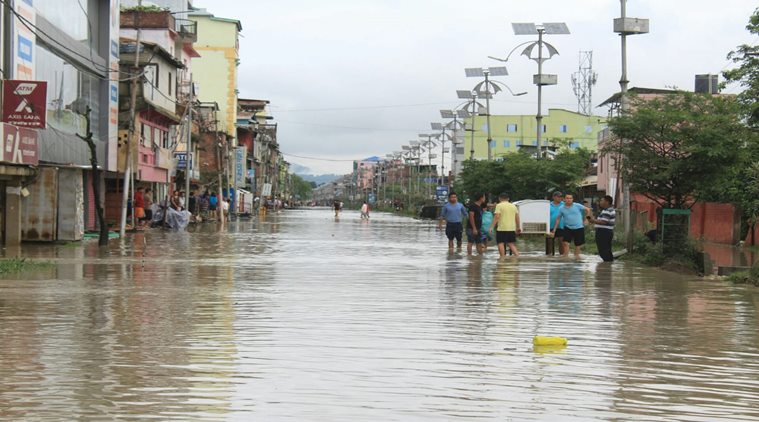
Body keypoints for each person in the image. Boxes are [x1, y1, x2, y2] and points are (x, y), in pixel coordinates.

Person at [551, 193, 591, 258]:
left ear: (572, 199)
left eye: (570, 198)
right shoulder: (561, 208)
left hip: (579, 227)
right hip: (568, 227)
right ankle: (565, 257)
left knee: (578, 245)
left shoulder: (577, 205)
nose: (569, 200)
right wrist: (554, 229)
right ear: (564, 199)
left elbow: (588, 209)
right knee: (565, 243)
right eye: (567, 198)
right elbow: (558, 218)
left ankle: (577, 256)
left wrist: (587, 219)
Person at [489, 192, 521, 257]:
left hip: (502, 228)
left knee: (500, 243)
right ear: (508, 199)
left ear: (499, 198)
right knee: (511, 244)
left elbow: (497, 216)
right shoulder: (513, 206)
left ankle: (502, 258)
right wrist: (518, 227)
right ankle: (517, 256)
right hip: (511, 228)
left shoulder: (499, 205)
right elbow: (517, 217)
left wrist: (491, 227)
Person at [588, 195, 616, 262]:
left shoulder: (608, 210)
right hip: (605, 232)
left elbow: (603, 222)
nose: (600, 202)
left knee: (603, 251)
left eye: (602, 200)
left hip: (604, 232)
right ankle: (609, 266)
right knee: (606, 250)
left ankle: (607, 266)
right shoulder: (606, 210)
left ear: (607, 202)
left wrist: (592, 220)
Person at [548, 191, 567, 256]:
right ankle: (549, 256)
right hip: (550, 226)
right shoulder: (548, 205)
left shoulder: (564, 204)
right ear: (553, 197)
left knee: (562, 243)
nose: (560, 198)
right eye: (558, 196)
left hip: (562, 226)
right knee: (549, 242)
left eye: (561, 197)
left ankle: (561, 256)